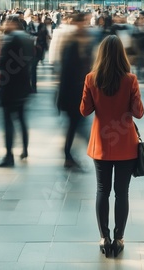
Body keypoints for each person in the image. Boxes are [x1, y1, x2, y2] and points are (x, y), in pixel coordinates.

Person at [80, 35, 144, 258]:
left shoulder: (91, 78)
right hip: (126, 144)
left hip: (101, 144)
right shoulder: (130, 79)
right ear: (121, 55)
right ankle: (119, 238)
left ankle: (103, 237)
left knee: (102, 190)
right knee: (122, 193)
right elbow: (139, 113)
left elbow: (85, 110)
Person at [0, 15, 34, 167]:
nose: (4, 25)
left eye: (6, 22)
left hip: (10, 87)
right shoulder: (26, 38)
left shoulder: (11, 40)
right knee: (22, 119)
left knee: (8, 122)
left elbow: (4, 63)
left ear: (12, 24)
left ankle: (9, 155)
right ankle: (24, 149)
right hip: (23, 86)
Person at [57, 13, 94, 171]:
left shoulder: (86, 42)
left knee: (75, 125)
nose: (84, 25)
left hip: (80, 91)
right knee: (76, 125)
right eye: (82, 22)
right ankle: (69, 154)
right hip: (73, 93)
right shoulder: (71, 43)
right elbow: (66, 72)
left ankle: (68, 155)